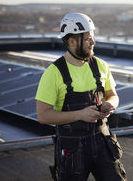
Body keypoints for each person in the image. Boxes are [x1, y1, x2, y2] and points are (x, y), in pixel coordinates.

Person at [35, 13, 126, 181]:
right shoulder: (53, 73)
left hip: (102, 141)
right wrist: (79, 115)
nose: (93, 42)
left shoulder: (100, 65)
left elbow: (113, 95)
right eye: (88, 39)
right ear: (71, 41)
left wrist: (110, 104)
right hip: (72, 149)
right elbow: (43, 115)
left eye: (92, 37)